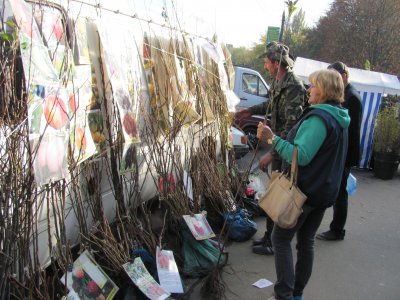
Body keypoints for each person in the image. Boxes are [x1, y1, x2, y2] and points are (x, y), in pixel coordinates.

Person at [258, 69, 350, 300]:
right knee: (305, 242)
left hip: (305, 192)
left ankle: (284, 295)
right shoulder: (338, 116)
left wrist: (272, 138)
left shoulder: (319, 118)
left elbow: (301, 155)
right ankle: (295, 293)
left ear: (325, 90)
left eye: (313, 86)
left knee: (280, 240)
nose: (309, 90)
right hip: (323, 191)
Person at [235, 42, 307, 255]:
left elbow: (291, 128)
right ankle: (269, 237)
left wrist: (272, 154)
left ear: (277, 63)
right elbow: (270, 105)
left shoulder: (293, 87)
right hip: (277, 145)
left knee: (279, 195)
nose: (265, 66)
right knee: (272, 192)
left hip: (286, 151)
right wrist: (248, 111)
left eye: (267, 62)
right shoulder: (278, 81)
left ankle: (274, 242)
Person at [316, 61, 362, 241]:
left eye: (334, 76)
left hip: (346, 153)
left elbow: (350, 131)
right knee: (338, 190)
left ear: (343, 76)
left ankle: (337, 230)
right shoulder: (348, 94)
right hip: (343, 153)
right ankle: (336, 228)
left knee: (340, 192)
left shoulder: (351, 97)